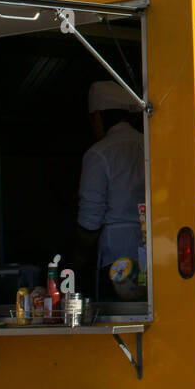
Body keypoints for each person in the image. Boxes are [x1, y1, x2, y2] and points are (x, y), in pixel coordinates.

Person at [77, 81, 145, 300]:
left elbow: (90, 220)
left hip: (115, 258)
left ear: (98, 115)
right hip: (151, 253)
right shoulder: (150, 144)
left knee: (117, 313)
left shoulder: (98, 154)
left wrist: (79, 256)